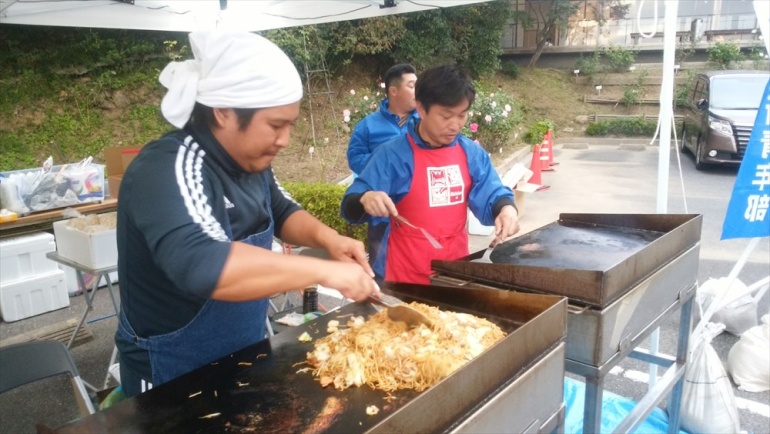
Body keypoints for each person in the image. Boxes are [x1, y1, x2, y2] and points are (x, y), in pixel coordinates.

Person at [114, 31, 379, 398]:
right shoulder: (167, 168)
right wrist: (324, 270)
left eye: (290, 125)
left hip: (241, 352)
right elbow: (203, 263)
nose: (285, 140)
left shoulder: (251, 161)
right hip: (171, 371)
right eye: (275, 125)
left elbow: (281, 210)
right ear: (224, 111)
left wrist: (329, 240)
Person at [341, 65, 520, 285]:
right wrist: (365, 198)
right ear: (421, 108)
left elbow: (491, 192)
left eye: (462, 115)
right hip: (403, 276)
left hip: (454, 272)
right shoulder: (392, 155)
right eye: (445, 116)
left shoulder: (470, 153)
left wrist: (506, 209)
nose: (455, 125)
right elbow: (351, 202)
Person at [347, 63, 419, 280]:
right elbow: (355, 158)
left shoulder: (423, 122)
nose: (418, 91)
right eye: (412, 86)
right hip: (382, 212)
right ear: (393, 90)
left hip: (417, 206)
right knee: (382, 269)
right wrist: (384, 164)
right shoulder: (368, 125)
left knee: (418, 265)